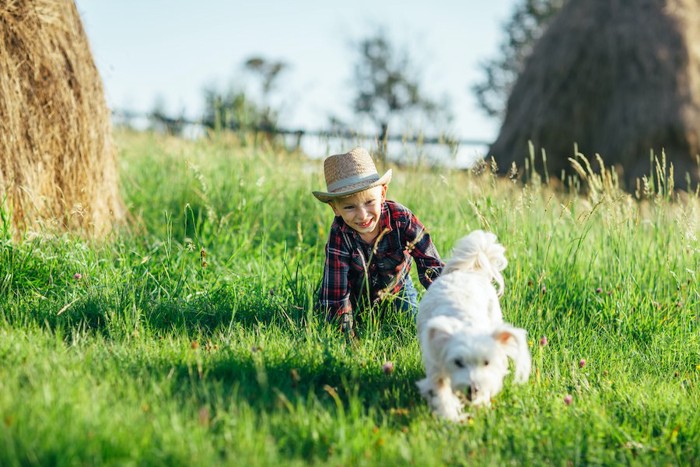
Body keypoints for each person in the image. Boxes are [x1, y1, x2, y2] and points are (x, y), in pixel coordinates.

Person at [313, 147, 444, 336]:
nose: (362, 215)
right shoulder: (339, 234)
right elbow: (337, 293)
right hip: (355, 293)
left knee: (410, 326)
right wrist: (347, 335)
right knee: (330, 319)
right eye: (349, 207)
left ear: (382, 194)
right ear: (335, 208)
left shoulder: (401, 218)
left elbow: (430, 264)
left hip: (397, 287)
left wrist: (448, 301)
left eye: (369, 202)